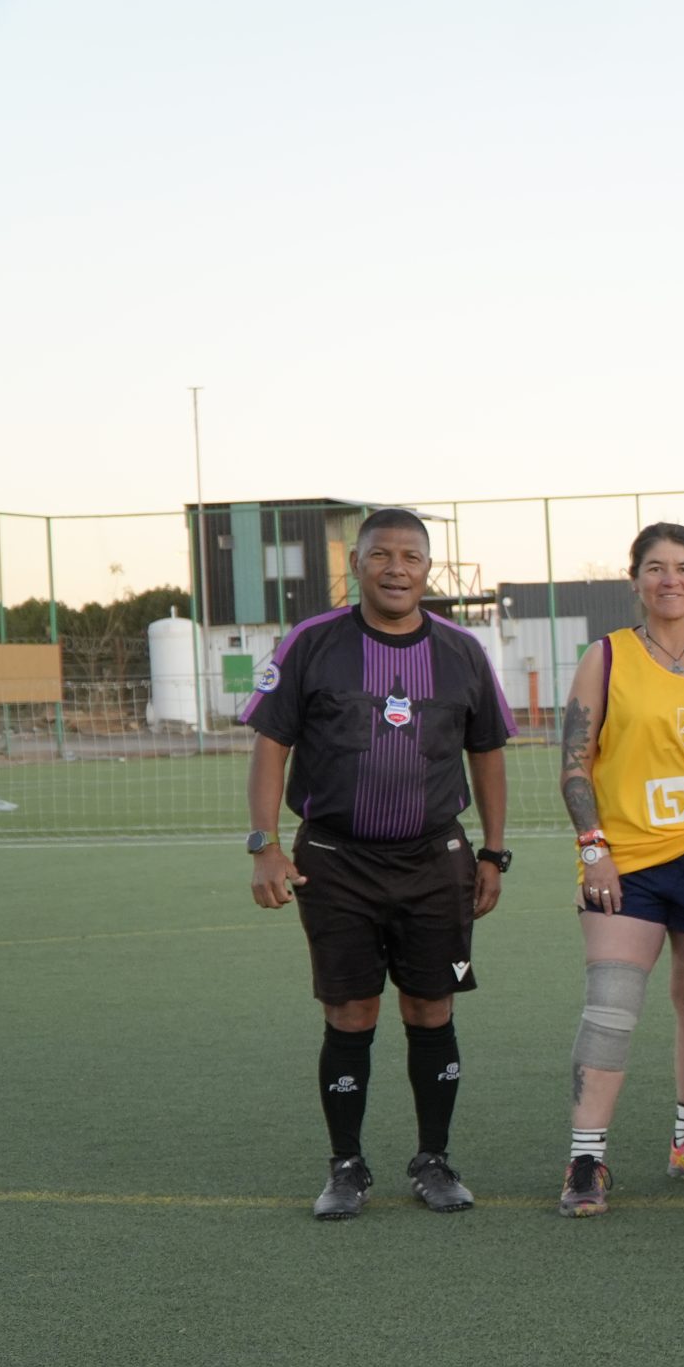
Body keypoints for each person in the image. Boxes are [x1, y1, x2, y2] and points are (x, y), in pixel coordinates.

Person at [242, 506, 512, 1220]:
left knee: (432, 1005)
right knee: (351, 1010)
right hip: (335, 860)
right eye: (381, 555)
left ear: (429, 569)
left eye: (411, 557)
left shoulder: (461, 651)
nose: (396, 569)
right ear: (356, 564)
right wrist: (264, 843)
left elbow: (487, 752)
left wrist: (493, 851)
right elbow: (271, 744)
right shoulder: (312, 642)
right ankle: (346, 1166)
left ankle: (433, 1160)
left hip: (436, 860)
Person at [554, 523, 684, 1217]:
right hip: (626, 861)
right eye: (657, 567)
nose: (671, 579)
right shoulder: (607, 655)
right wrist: (593, 848)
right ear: (634, 579)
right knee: (611, 1006)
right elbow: (574, 764)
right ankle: (586, 1157)